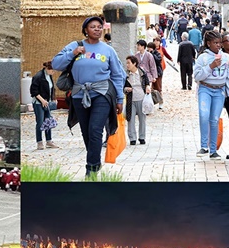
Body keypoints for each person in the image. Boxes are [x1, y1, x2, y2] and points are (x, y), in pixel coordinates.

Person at [52, 15, 125, 177]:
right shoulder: (75, 46)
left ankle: (90, 169)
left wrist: (119, 99)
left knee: (95, 129)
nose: (97, 29)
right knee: (86, 132)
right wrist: (73, 53)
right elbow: (56, 64)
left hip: (102, 93)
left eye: (99, 27)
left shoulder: (108, 50)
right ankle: (95, 161)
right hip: (80, 95)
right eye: (93, 27)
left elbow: (118, 75)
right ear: (85, 30)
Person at [193, 30, 229, 159]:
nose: (218, 45)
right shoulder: (203, 58)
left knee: (215, 119)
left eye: (219, 43)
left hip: (219, 91)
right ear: (208, 43)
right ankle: (203, 146)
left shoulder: (226, 58)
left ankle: (213, 149)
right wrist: (210, 66)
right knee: (204, 114)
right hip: (205, 89)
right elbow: (197, 76)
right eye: (215, 43)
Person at [123, 54, 149, 146]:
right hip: (131, 99)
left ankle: (142, 137)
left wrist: (148, 87)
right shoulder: (125, 75)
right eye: (126, 63)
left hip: (141, 98)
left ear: (134, 63)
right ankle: (132, 138)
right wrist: (126, 89)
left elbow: (147, 83)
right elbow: (122, 87)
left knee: (142, 119)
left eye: (129, 63)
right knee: (130, 119)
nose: (127, 65)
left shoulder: (142, 73)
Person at [31, 61, 57, 149]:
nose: (53, 73)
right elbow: (34, 91)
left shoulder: (49, 76)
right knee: (40, 122)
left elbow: (51, 88)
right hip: (38, 103)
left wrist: (53, 98)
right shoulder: (38, 77)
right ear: (47, 69)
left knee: (48, 121)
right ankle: (39, 142)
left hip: (47, 102)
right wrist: (42, 100)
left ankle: (49, 140)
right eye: (52, 71)